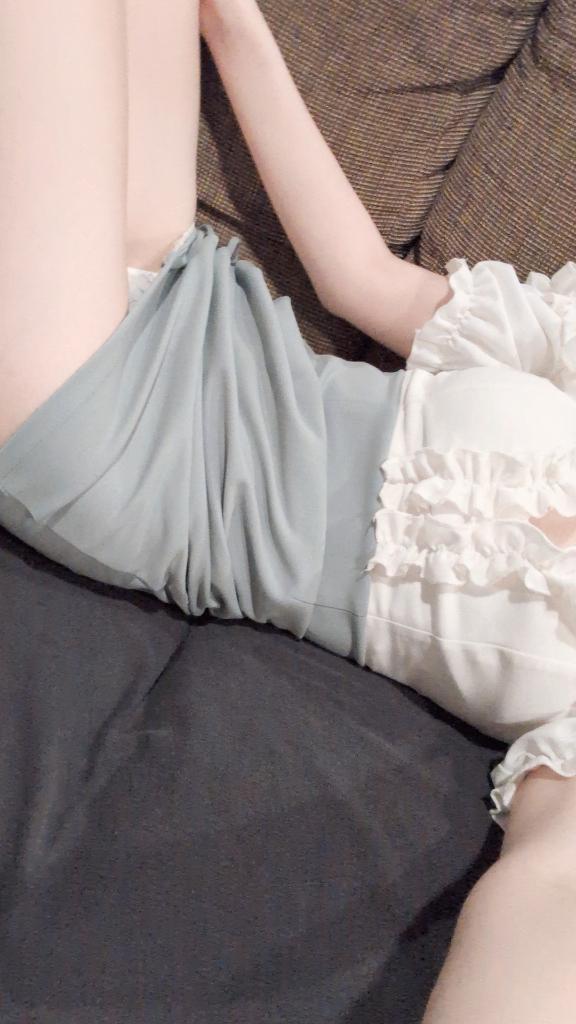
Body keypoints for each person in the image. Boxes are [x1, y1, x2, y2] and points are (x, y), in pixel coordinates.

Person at [1, 2, 576, 1019]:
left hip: (135, 461)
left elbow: (544, 899)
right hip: (194, 296)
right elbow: (360, 282)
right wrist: (234, 29)